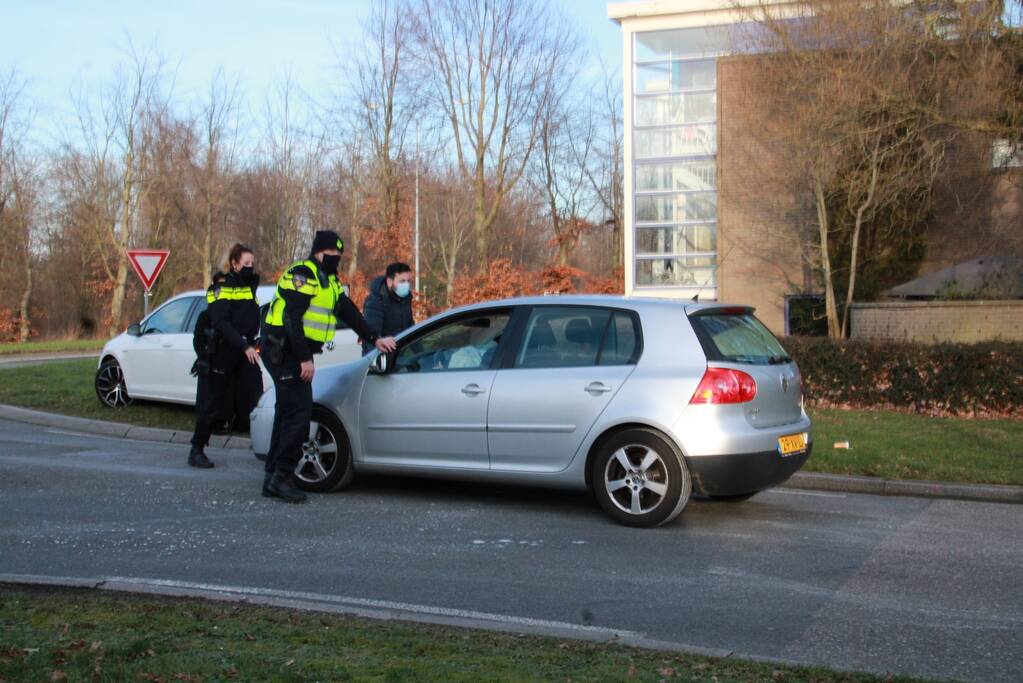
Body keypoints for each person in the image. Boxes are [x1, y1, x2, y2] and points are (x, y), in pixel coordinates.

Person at [261, 230, 397, 502]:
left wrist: (375, 338)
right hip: (283, 350)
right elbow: (291, 319)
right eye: (332, 254)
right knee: (299, 413)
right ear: (319, 252)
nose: (337, 258)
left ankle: (274, 476)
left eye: (339, 254)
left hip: (291, 351)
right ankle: (282, 477)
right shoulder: (303, 274)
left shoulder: (330, 280)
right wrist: (304, 358)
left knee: (288, 412)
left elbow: (348, 311)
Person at [188, 244, 263, 468]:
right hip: (224, 352)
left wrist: (255, 342)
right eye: (246, 263)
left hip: (245, 351)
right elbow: (221, 322)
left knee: (256, 399)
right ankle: (197, 449)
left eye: (252, 263)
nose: (250, 267)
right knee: (212, 403)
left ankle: (268, 447)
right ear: (234, 264)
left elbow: (250, 320)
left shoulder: (249, 289)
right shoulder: (220, 289)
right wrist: (244, 346)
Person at [361, 262, 415, 355]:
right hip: (381, 358)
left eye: (408, 281)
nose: (406, 285)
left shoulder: (406, 299)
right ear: (389, 281)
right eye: (402, 281)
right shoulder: (375, 302)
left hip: (399, 356)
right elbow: (372, 338)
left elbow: (411, 330)